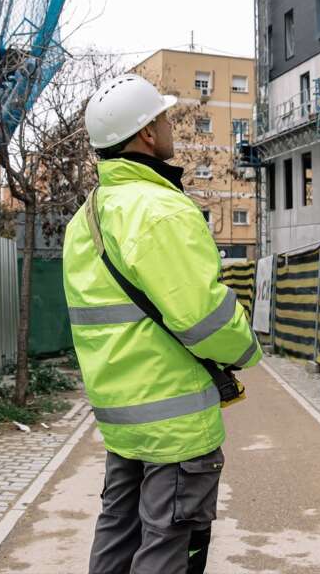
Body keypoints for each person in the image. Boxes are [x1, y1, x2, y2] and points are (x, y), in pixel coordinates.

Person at [62, 74, 262, 574]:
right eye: (165, 118)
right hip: (175, 426)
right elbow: (201, 315)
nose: (170, 126)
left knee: (117, 535)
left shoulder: (86, 218)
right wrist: (247, 349)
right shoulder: (158, 210)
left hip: (121, 418)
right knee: (167, 547)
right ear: (148, 134)